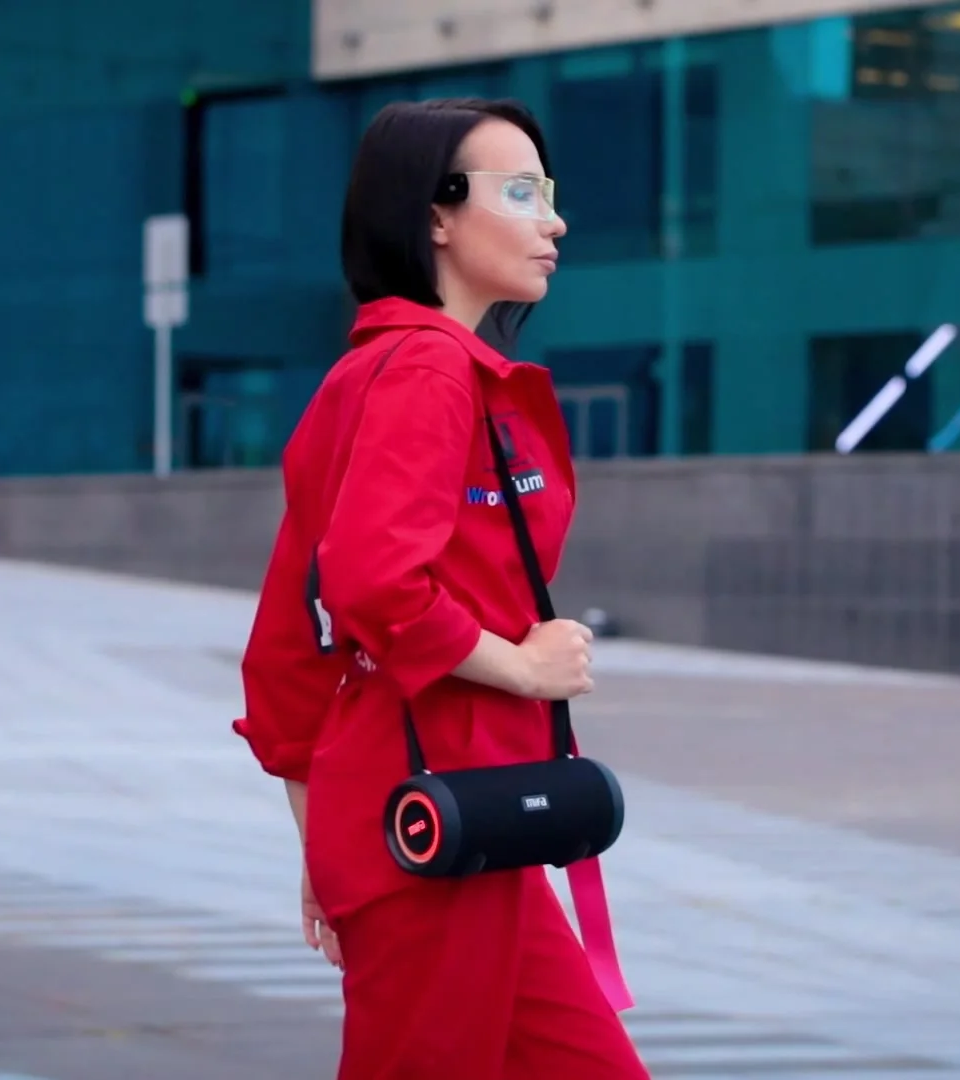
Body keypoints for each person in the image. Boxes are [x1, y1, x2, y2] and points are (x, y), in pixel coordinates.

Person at [231, 98, 650, 1080]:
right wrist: (526, 667)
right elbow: (372, 584)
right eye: (522, 193)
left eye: (549, 194)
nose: (555, 222)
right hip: (440, 817)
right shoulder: (425, 368)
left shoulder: (374, 372)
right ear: (436, 216)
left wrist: (327, 841)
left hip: (458, 820)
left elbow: (290, 645)